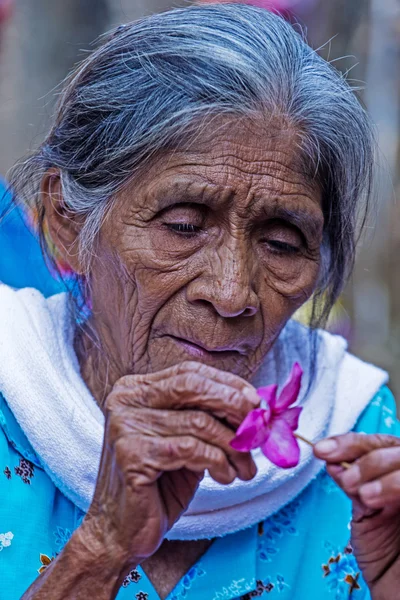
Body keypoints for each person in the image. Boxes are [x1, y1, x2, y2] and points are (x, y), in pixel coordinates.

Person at [0, 5, 399, 599]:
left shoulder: (359, 439)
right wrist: (102, 546)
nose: (233, 292)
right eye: (184, 225)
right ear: (66, 219)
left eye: (283, 242)